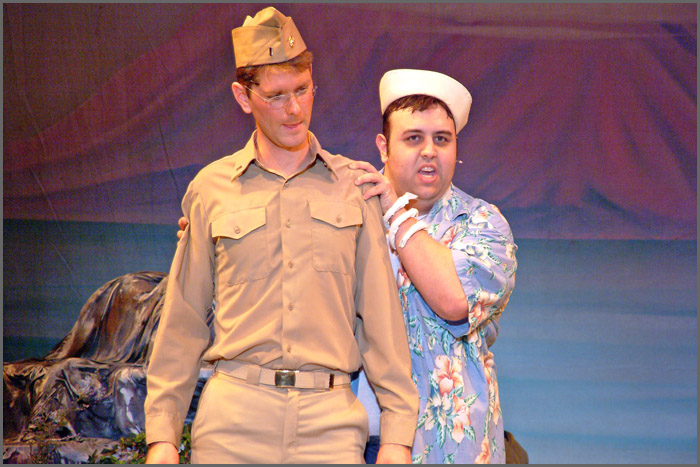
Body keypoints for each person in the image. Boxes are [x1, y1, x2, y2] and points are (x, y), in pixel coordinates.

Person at [144, 7, 418, 464]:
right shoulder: (211, 190)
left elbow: (381, 322)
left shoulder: (354, 187)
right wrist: (162, 438)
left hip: (330, 427)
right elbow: (183, 320)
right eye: (275, 96)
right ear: (243, 97)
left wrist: (397, 436)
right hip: (233, 423)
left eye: (303, 90)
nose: (294, 109)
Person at [349, 69, 518, 463]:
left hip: (444, 448)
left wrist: (395, 212)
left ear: (456, 149)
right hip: (343, 440)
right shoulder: (346, 216)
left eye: (441, 139)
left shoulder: (483, 223)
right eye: (413, 138)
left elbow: (453, 301)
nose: (429, 151)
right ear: (383, 147)